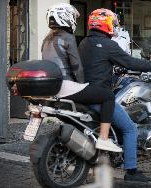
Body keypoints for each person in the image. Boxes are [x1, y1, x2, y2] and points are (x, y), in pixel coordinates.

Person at [78, 8, 151, 182]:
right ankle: (132, 172)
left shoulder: (83, 43)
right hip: (99, 98)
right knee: (130, 128)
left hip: (83, 94)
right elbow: (131, 62)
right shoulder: (109, 45)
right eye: (113, 23)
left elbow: (96, 64)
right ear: (106, 24)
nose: (115, 26)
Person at [41, 3, 122, 153]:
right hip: (67, 86)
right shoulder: (68, 37)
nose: (74, 21)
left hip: (53, 88)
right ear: (65, 18)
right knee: (108, 96)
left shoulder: (47, 39)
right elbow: (77, 67)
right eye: (72, 17)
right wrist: (84, 85)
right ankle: (104, 138)